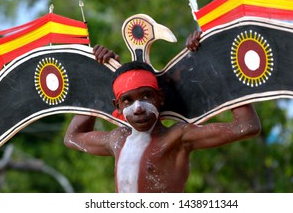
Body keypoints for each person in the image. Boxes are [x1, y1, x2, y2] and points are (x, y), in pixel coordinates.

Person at [64, 31, 261, 192]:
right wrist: (99, 76)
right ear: (118, 107)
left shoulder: (178, 137)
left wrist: (215, 64)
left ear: (160, 98)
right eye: (128, 100)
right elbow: (73, 137)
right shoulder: (116, 139)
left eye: (146, 96)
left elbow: (247, 126)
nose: (139, 107)